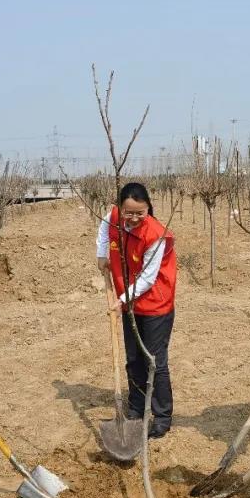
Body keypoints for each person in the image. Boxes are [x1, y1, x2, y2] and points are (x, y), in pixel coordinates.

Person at [95, 182, 177, 439]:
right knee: (133, 358)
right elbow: (104, 230)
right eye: (128, 212)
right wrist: (101, 255)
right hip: (129, 301)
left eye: (139, 213)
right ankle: (136, 409)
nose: (132, 218)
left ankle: (162, 417)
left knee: (154, 361)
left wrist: (121, 300)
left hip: (155, 303)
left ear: (148, 208)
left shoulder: (156, 235)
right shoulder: (114, 217)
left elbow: (147, 279)